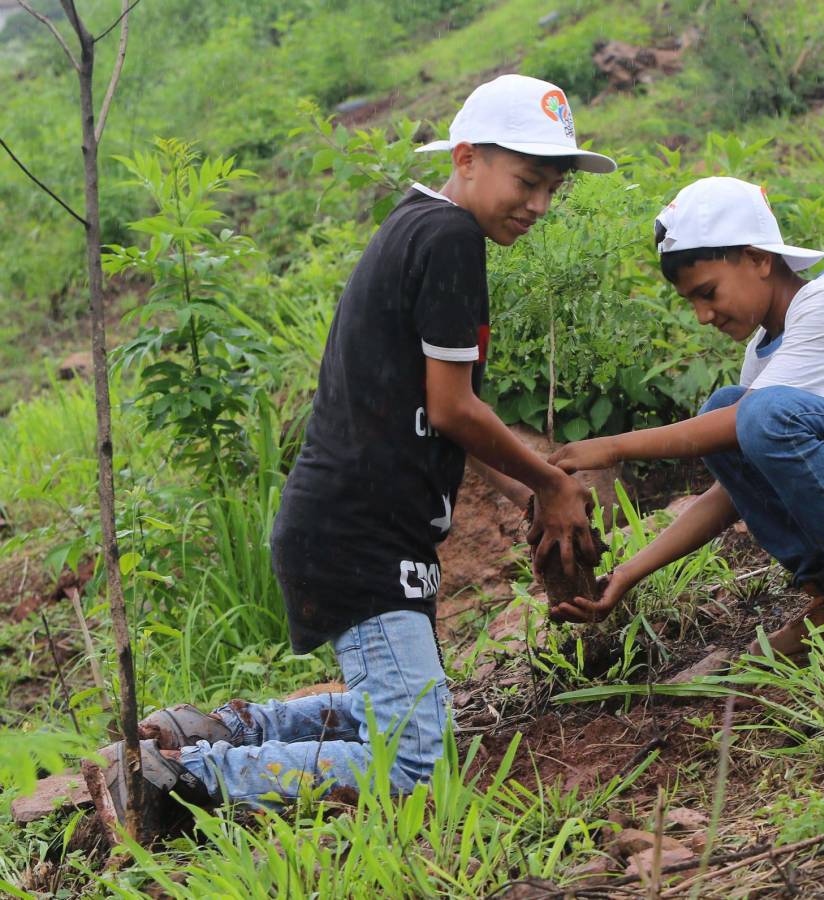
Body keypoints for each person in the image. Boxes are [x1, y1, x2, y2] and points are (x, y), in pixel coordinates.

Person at [85, 75, 617, 831]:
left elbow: (441, 421)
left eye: (551, 189)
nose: (537, 205)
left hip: (352, 527)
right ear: (466, 158)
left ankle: (211, 733)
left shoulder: (418, 226)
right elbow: (453, 406)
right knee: (417, 764)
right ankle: (174, 781)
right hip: (361, 534)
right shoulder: (450, 238)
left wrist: (534, 496)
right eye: (527, 180)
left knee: (409, 714)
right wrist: (551, 483)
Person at [548, 176, 824, 664]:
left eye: (709, 292)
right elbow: (731, 495)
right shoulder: (762, 361)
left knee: (746, 411)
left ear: (760, 258)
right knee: (730, 408)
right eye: (691, 301)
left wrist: (613, 447)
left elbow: (754, 419)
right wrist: (629, 572)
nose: (702, 315)